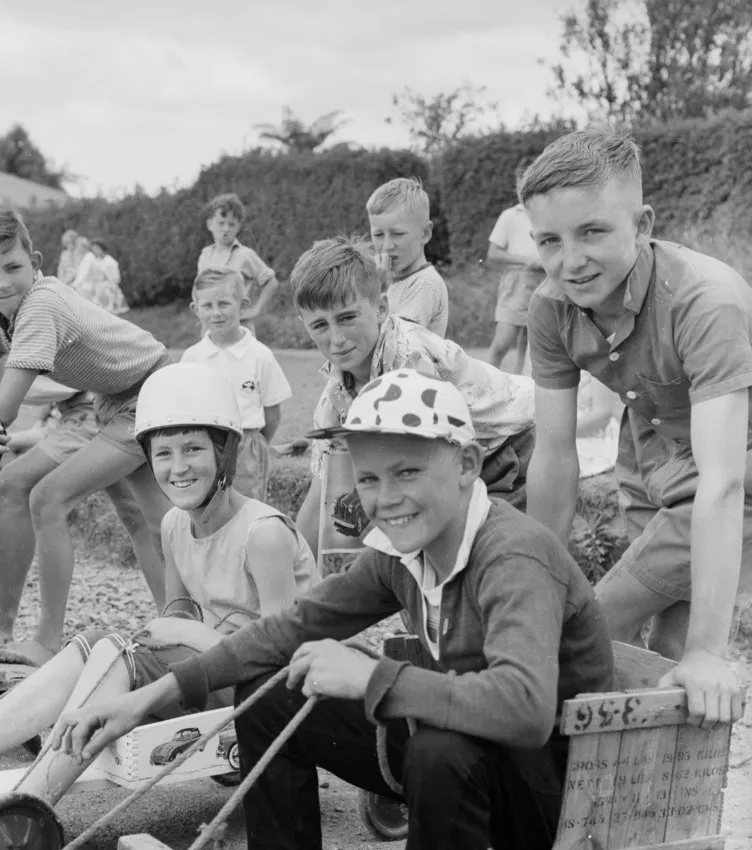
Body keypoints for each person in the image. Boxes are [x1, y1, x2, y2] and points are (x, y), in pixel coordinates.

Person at [38, 370, 615, 850]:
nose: (385, 497)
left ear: (468, 465)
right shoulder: (403, 551)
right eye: (368, 478)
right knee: (281, 681)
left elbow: (527, 711)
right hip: (463, 754)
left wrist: (374, 676)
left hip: (554, 802)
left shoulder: (512, 555)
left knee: (442, 749)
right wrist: (151, 695)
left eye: (407, 473)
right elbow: (292, 626)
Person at [0, 364, 318, 803]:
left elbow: (277, 658)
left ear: (224, 451)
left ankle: (30, 799)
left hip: (256, 694)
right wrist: (178, 633)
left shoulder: (264, 534)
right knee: (94, 642)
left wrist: (188, 636)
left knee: (119, 652)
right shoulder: (175, 524)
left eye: (194, 449)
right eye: (163, 454)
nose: (178, 468)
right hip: (208, 673)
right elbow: (177, 615)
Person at [523, 128, 750, 728]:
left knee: (594, 625)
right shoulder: (551, 306)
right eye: (549, 240)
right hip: (650, 456)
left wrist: (711, 651)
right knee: (661, 653)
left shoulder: (706, 301)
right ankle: (646, 804)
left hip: (735, 465)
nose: (570, 261)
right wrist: (531, 580)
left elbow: (725, 482)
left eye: (592, 231)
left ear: (642, 223)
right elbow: (553, 454)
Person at [0, 207, 174, 666]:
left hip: (152, 392)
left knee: (47, 498)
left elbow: (1, 410)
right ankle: (175, 625)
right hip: (112, 400)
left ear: (37, 261)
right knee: (146, 518)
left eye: (13, 267)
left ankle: (48, 641)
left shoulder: (41, 305)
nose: (3, 282)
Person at [290, 237, 535, 557]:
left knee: (479, 554)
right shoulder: (334, 400)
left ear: (380, 308)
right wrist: (294, 565)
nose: (336, 338)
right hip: (460, 458)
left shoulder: (409, 356)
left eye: (347, 317)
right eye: (320, 325)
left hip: (508, 446)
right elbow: (322, 493)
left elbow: (425, 473)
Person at [181, 268, 291, 501]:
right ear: (195, 309)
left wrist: (256, 445)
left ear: (243, 305)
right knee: (205, 504)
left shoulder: (260, 356)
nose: (216, 313)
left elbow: (273, 414)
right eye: (207, 306)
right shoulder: (192, 358)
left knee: (245, 509)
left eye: (224, 303)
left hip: (246, 446)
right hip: (203, 444)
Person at [486, 159, 547, 373]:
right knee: (503, 341)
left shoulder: (546, 213)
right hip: (517, 281)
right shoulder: (510, 216)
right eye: (522, 184)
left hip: (544, 280)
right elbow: (493, 253)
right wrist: (524, 261)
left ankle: (526, 387)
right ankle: (483, 386)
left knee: (532, 343)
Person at [367, 178, 448, 337]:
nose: (386, 246)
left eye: (397, 234)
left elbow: (397, 341)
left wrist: (377, 287)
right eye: (378, 235)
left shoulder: (425, 283)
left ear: (425, 233)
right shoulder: (396, 281)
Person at [197, 193, 279, 330]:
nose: (226, 229)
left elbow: (272, 283)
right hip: (210, 328)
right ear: (210, 224)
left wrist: (256, 310)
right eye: (221, 223)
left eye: (231, 224)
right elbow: (198, 291)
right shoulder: (204, 255)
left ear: (238, 226)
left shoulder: (245, 255)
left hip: (239, 327)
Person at [89, 240, 130, 315]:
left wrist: (108, 282)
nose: (95, 251)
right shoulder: (95, 261)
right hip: (98, 285)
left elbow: (115, 278)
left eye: (97, 249)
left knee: (107, 292)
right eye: (93, 250)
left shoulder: (110, 261)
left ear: (102, 249)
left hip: (108, 285)